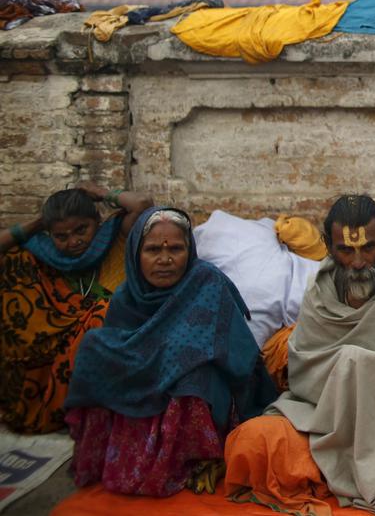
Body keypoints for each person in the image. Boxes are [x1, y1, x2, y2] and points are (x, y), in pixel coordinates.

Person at [224, 194, 375, 516]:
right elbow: (304, 376)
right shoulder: (318, 292)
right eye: (346, 250)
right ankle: (349, 473)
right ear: (328, 245)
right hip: (323, 424)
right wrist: (350, 370)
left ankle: (340, 476)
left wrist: (361, 369)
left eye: (369, 247)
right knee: (252, 440)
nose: (358, 262)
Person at [62, 207, 278, 497]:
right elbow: (122, 344)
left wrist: (166, 356)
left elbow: (226, 350)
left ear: (189, 251)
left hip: (203, 382)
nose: (165, 260)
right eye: (152, 249)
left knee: (193, 371)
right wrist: (154, 356)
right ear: (136, 253)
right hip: (147, 372)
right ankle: (110, 455)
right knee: (92, 346)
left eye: (176, 248)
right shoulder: (128, 295)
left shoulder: (205, 281)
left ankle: (189, 460)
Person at [0, 181, 153, 433]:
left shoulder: (116, 237)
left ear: (97, 221)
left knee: (102, 313)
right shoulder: (45, 254)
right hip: (52, 347)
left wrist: (103, 193)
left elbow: (143, 205)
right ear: (50, 235)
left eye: (82, 229)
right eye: (61, 236)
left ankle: (86, 414)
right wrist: (40, 221)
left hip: (112, 349)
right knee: (15, 260)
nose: (74, 241)